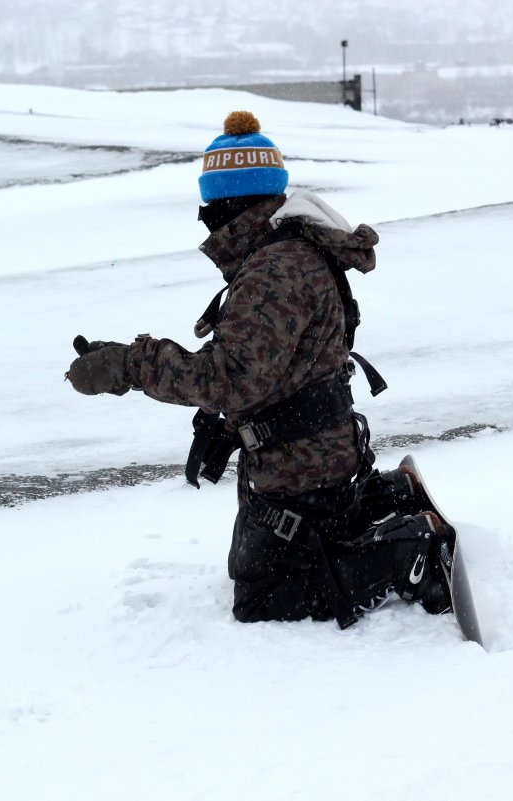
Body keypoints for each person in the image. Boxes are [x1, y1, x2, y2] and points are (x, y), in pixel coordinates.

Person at [66, 111, 452, 628]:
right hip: (309, 451)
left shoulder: (276, 269)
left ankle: (409, 553)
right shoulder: (281, 254)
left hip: (303, 463)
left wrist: (132, 365)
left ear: (228, 202)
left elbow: (231, 376)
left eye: (210, 204)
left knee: (264, 598)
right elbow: (275, 369)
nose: (204, 217)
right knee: (247, 564)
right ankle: (382, 499)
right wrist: (227, 426)